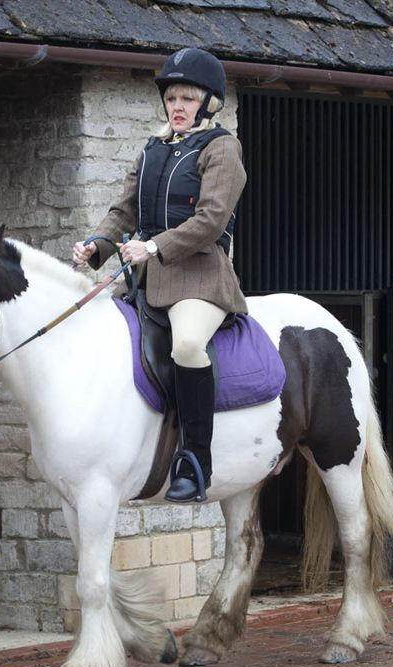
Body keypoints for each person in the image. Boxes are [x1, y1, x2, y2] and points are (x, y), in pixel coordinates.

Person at [72, 47, 248, 503]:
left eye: (188, 98)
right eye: (172, 98)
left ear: (209, 103)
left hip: (201, 279)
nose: (178, 107)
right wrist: (98, 244)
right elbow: (124, 209)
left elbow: (211, 220)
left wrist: (152, 247)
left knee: (187, 345)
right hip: (148, 281)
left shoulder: (222, 148)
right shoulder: (153, 149)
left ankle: (195, 461)